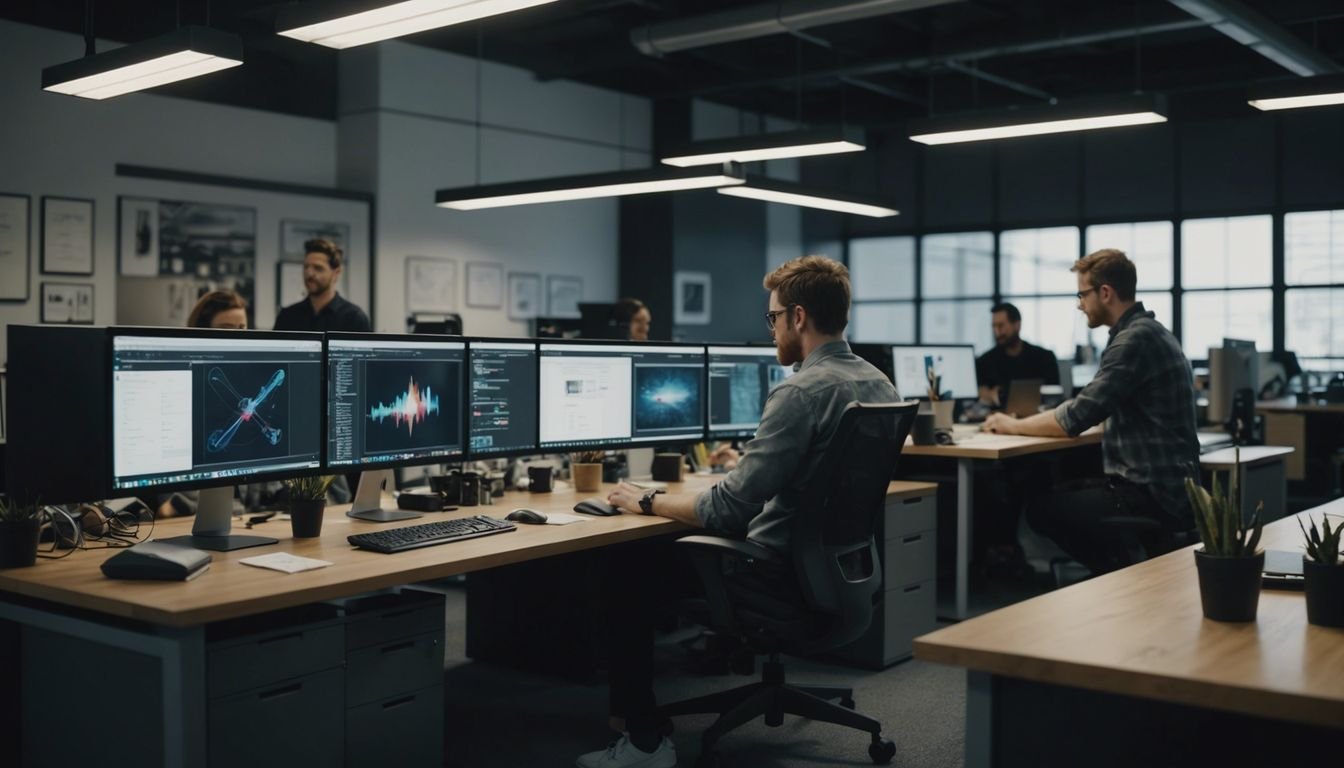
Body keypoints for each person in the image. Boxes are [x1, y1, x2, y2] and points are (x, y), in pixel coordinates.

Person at [575, 255, 899, 768]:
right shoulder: (881, 384)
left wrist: (647, 500)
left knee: (624, 569)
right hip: (833, 569)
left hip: (772, 573)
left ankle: (641, 741)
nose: (770, 330)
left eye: (772, 318)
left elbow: (727, 511)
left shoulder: (799, 391)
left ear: (797, 317)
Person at [983, 249, 1198, 577]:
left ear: (1106, 293)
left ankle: (1120, 579)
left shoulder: (1132, 341)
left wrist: (1011, 424)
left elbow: (1076, 417)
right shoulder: (1151, 331)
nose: (1080, 303)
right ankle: (1124, 574)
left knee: (1041, 510)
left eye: (1082, 294)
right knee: (1062, 487)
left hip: (1152, 493)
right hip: (1169, 486)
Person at [273, 238, 371, 332]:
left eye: (318, 268)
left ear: (336, 273)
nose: (309, 273)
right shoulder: (287, 316)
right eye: (306, 267)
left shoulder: (354, 319)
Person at [975, 302, 1059, 406]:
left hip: (1038, 417)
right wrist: (987, 394)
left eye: (1001, 326)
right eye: (994, 326)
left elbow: (1054, 396)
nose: (997, 332)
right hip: (998, 418)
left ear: (1017, 325)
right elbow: (980, 392)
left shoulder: (1044, 358)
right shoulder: (985, 361)